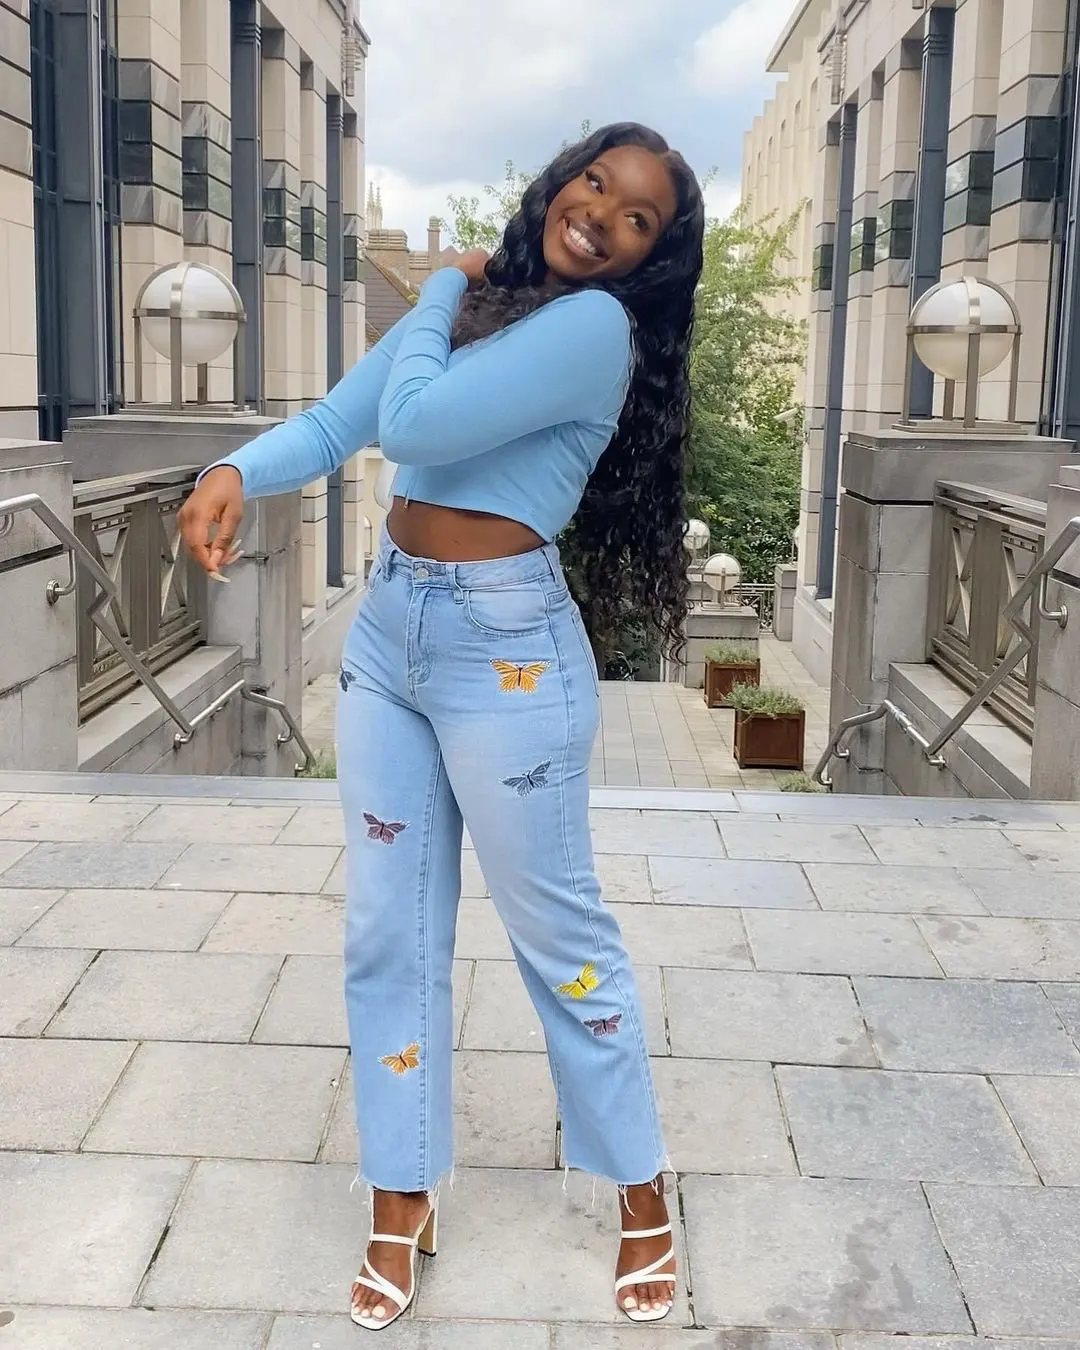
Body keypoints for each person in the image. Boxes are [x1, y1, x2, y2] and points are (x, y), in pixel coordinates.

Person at [179, 121, 705, 1331]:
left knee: (556, 932)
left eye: (636, 218)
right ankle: (401, 1195)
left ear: (650, 259)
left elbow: (410, 426)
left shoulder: (593, 327)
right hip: (388, 638)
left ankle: (641, 1187)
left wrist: (437, 288)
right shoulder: (485, 308)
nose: (600, 217)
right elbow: (339, 423)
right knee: (386, 930)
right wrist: (233, 470)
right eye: (595, 183)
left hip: (505, 657)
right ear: (561, 179)